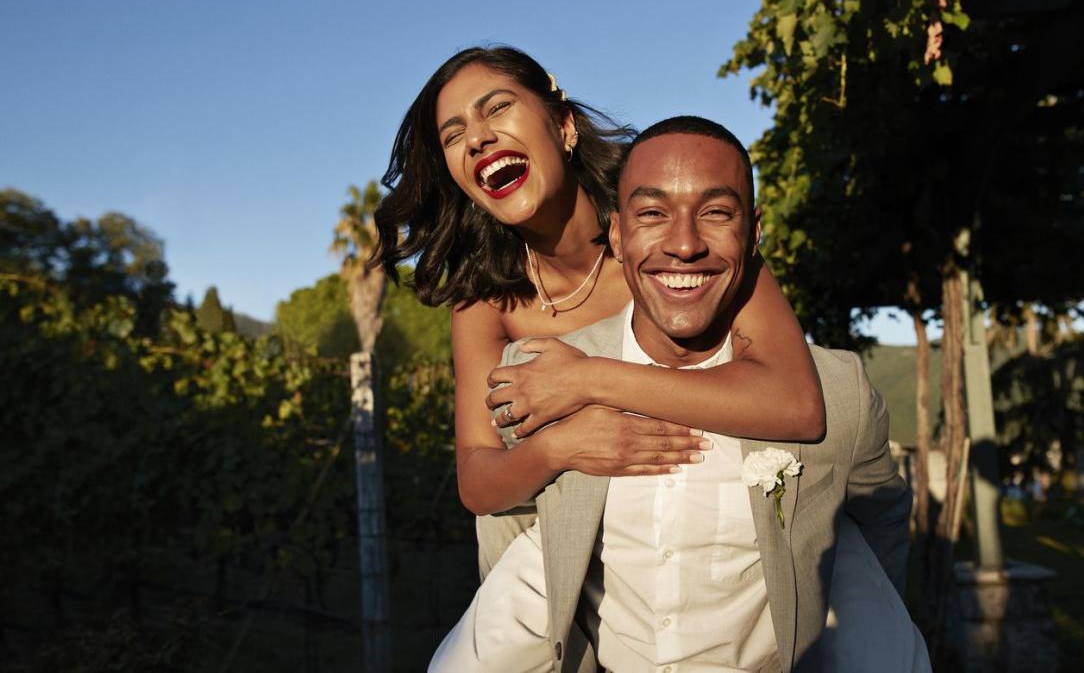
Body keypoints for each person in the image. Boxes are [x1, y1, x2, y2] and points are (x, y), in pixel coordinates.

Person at [431, 117, 930, 672]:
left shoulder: (837, 394)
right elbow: (509, 537)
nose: (686, 244)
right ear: (616, 235)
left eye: (716, 213)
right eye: (652, 214)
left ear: (754, 232)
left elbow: (878, 528)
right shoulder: (539, 380)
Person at [370, 45, 827, 579]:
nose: (477, 138)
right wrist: (559, 448)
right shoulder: (483, 299)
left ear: (564, 126)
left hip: (711, 544)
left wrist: (587, 379)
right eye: (453, 135)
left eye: (497, 109)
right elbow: (476, 481)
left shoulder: (673, 238)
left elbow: (797, 404)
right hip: (556, 567)